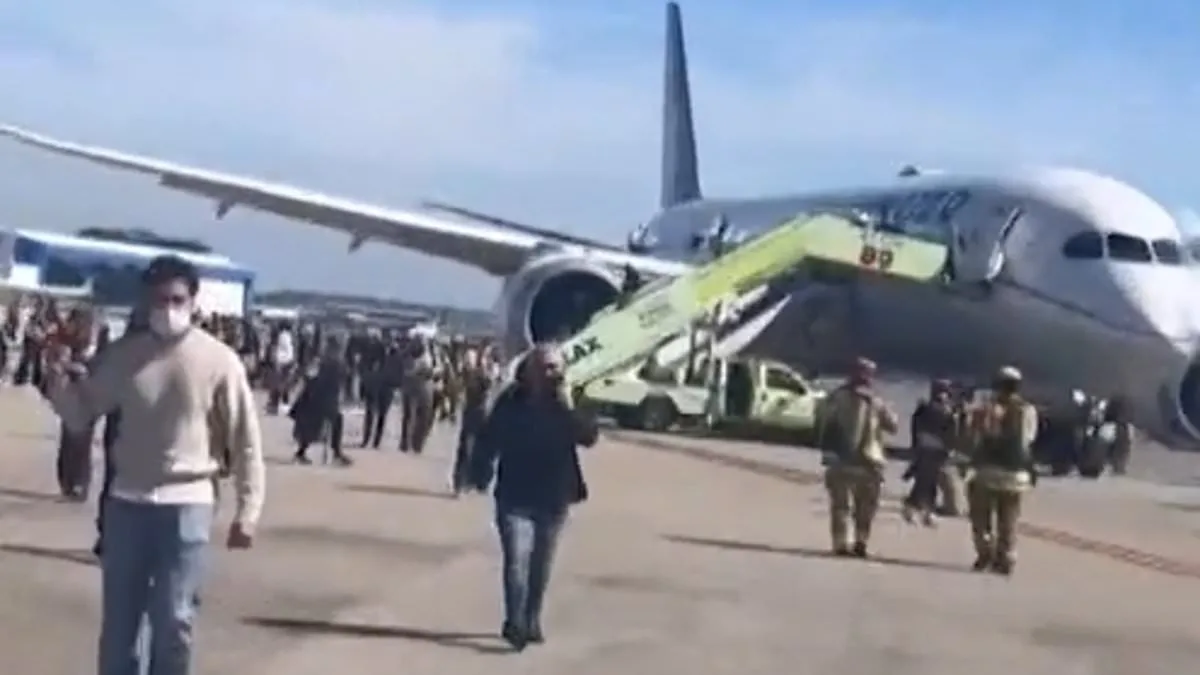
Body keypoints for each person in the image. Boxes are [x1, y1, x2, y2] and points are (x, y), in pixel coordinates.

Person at [42, 255, 266, 675]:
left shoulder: (219, 361)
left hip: (188, 503)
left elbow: (246, 441)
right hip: (127, 502)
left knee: (174, 620)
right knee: (119, 627)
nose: (168, 309)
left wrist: (248, 510)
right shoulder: (125, 356)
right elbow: (81, 413)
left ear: (193, 301)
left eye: (177, 299)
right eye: (159, 300)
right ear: (146, 301)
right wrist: (56, 382)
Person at [470, 345, 597, 651]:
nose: (550, 373)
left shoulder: (567, 402)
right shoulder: (510, 401)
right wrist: (480, 471)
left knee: (540, 564)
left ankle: (532, 618)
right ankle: (515, 622)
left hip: (553, 498)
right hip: (514, 495)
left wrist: (568, 404)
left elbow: (588, 437)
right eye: (544, 367)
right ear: (528, 370)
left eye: (555, 367)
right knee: (516, 561)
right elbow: (489, 437)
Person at [815, 357, 898, 558]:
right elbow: (893, 426)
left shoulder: (836, 397)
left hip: (841, 459)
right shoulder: (876, 400)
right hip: (869, 460)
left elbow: (821, 421)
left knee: (841, 506)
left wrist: (826, 450)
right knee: (865, 506)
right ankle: (860, 542)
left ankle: (841, 543)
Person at [965, 366, 1038, 575]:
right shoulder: (1028, 410)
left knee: (980, 516)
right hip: (1016, 474)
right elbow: (1029, 440)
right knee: (1009, 519)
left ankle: (985, 552)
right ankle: (1006, 556)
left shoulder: (986, 408)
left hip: (987, 471)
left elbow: (974, 436)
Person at [903, 379, 960, 526]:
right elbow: (952, 433)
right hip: (933, 450)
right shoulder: (944, 410)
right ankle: (920, 510)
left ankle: (921, 511)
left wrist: (915, 446)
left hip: (929, 449)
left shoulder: (924, 408)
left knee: (926, 481)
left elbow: (915, 429)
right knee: (927, 481)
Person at [451, 348, 491, 494]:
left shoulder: (480, 376)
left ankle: (471, 482)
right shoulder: (468, 375)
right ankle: (462, 482)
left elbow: (487, 384)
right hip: (473, 414)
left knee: (474, 450)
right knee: (467, 449)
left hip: (478, 415)